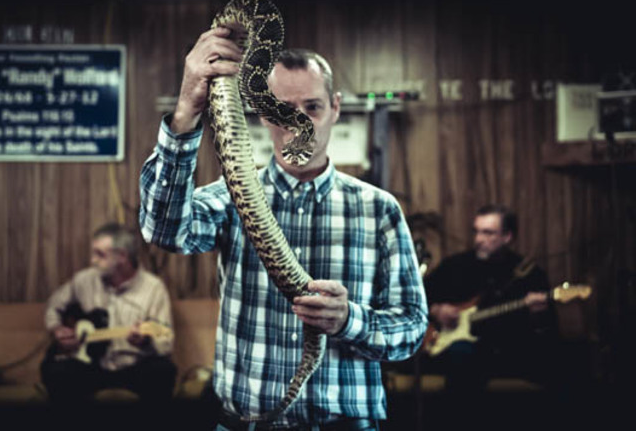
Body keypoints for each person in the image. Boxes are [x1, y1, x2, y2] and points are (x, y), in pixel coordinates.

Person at [139, 26, 428, 430]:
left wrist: (348, 320)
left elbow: (411, 330)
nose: (298, 122)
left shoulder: (379, 210)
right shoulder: (230, 196)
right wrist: (186, 111)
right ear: (262, 113)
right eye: (283, 108)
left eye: (312, 107)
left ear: (335, 108)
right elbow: (163, 230)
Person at [423, 205, 559, 428]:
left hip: (506, 350)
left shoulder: (529, 273)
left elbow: (547, 330)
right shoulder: (455, 266)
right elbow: (417, 300)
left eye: (488, 233)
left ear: (507, 236)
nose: (479, 239)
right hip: (450, 349)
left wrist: (537, 315)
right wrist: (437, 310)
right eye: (476, 231)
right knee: (462, 356)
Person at [40, 222, 176, 406]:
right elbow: (54, 304)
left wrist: (145, 340)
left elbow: (166, 343)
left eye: (100, 254)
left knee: (163, 371)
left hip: (134, 366)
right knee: (56, 371)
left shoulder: (153, 288)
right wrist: (56, 328)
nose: (93, 261)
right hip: (91, 365)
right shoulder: (84, 280)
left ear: (122, 256)